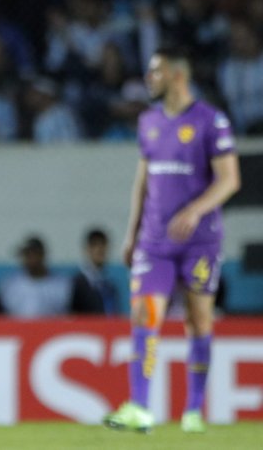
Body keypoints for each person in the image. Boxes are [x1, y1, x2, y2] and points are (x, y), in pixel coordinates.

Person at [104, 46, 240, 434]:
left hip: (200, 242)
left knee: (198, 322)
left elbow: (230, 180)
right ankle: (140, 407)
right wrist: (131, 233)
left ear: (178, 75)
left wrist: (197, 209)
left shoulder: (211, 121)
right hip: (154, 242)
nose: (149, 79)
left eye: (156, 72)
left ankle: (194, 410)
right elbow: (142, 182)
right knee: (144, 316)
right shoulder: (148, 121)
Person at [0, 235, 71, 318]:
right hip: (16, 329)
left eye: (34, 253)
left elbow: (75, 316)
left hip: (53, 329)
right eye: (27, 254)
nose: (31, 258)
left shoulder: (63, 285)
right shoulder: (9, 285)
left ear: (43, 254)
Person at [70, 226, 120, 316]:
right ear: (87, 249)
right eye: (95, 245)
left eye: (103, 244)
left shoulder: (109, 286)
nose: (100, 249)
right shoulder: (77, 284)